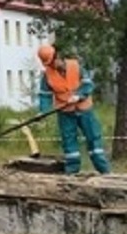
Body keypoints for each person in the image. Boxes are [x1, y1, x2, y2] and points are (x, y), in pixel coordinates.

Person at [37, 44, 110, 174]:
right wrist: (43, 112)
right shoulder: (47, 75)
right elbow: (45, 95)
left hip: (84, 109)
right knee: (69, 143)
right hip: (65, 113)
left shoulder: (75, 66)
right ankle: (72, 173)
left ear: (57, 56)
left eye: (52, 62)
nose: (51, 66)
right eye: (48, 64)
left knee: (94, 139)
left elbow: (88, 83)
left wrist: (79, 95)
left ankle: (104, 171)